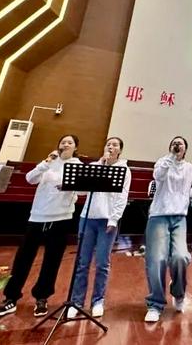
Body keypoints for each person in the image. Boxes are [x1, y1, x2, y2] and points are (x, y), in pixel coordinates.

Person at [0, 135, 82, 318]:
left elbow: (81, 191)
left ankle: (42, 298)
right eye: (63, 141)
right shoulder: (49, 162)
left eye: (69, 143)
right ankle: (11, 297)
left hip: (61, 218)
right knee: (23, 259)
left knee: (52, 261)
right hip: (38, 216)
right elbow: (30, 179)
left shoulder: (77, 165)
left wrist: (67, 185)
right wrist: (46, 162)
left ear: (75, 147)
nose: (65, 144)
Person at [144, 136, 192, 323]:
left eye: (181, 143)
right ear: (171, 146)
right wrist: (170, 157)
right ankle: (155, 303)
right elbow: (158, 176)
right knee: (157, 259)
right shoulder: (163, 162)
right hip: (158, 215)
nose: (178, 144)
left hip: (179, 217)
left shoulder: (189, 168)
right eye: (175, 142)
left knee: (181, 256)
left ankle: (179, 293)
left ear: (185, 149)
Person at [67, 137, 131, 319]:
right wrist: (101, 165)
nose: (111, 147)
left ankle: (97, 301)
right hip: (87, 218)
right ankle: (77, 301)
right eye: (108, 144)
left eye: (115, 145)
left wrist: (114, 219)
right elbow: (81, 191)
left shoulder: (124, 170)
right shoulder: (95, 165)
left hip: (107, 221)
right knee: (82, 263)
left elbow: (122, 197)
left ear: (120, 151)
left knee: (102, 263)